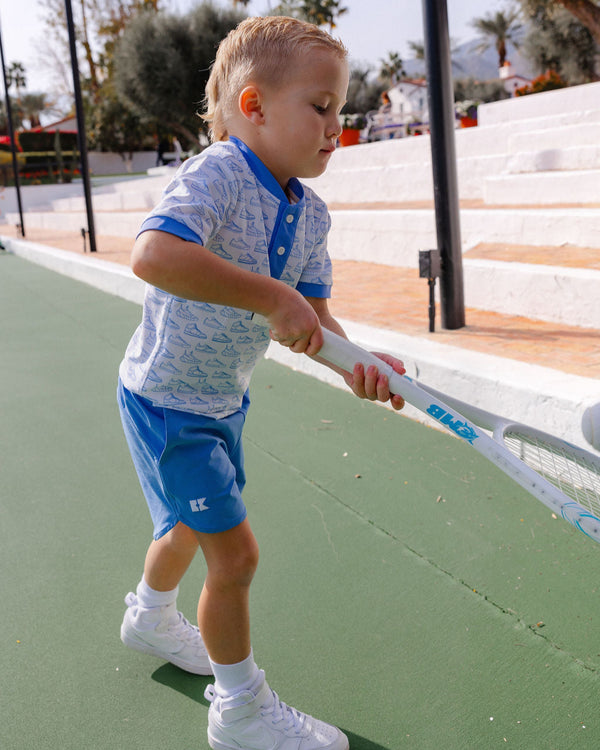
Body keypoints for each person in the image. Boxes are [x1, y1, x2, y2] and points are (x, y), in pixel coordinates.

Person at [117, 15, 405, 750]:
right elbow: (153, 257)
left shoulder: (311, 215)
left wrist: (359, 363)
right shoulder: (217, 172)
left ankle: (149, 616)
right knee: (234, 554)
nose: (336, 126)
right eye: (321, 107)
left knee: (188, 524)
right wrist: (273, 297)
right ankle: (240, 710)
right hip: (166, 399)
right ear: (253, 106)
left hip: (220, 399)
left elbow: (317, 324)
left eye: (340, 109)